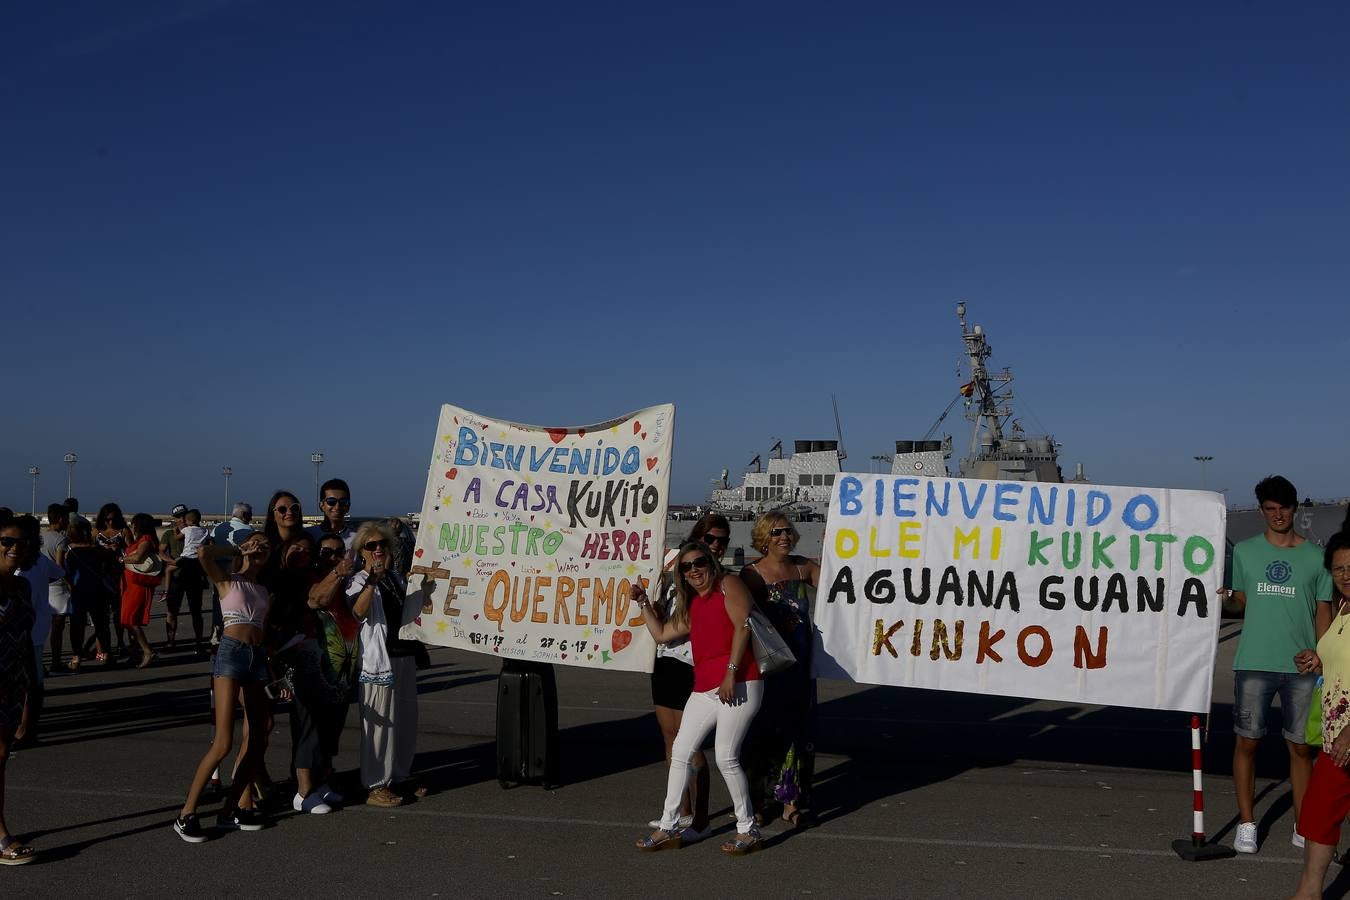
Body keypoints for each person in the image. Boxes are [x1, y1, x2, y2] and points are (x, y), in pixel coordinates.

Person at [632, 540, 763, 855]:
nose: (694, 570)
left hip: (741, 681)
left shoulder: (727, 584)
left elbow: (744, 625)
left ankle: (748, 830)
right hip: (705, 687)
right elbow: (663, 634)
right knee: (680, 751)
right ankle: (668, 826)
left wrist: (731, 672)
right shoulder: (693, 603)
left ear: (711, 563)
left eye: (699, 563)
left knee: (726, 757)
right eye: (686, 566)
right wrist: (643, 605)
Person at [1225, 475, 1333, 853]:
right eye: (1270, 509)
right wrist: (1219, 598)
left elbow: (1323, 611)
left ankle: (1303, 825)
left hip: (1302, 666)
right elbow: (1240, 603)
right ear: (1261, 511)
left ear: (1294, 508)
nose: (1278, 515)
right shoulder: (1245, 552)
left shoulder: (1316, 556)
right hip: (1253, 661)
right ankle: (1247, 822)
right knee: (1247, 742)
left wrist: (1323, 655)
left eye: (1284, 508)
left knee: (1302, 748)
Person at [173, 532, 275, 842]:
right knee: (224, 741)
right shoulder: (227, 580)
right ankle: (186, 814)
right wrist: (238, 548)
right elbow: (203, 553)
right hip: (231, 653)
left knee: (260, 734)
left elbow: (264, 630)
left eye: (265, 546)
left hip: (256, 658)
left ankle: (230, 809)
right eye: (256, 543)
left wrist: (272, 668)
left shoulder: (263, 590)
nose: (260, 548)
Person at [641, 515, 728, 841]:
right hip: (665, 664)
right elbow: (663, 623)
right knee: (670, 740)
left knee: (690, 746)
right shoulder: (679, 577)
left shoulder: (721, 583)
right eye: (711, 539)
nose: (717, 545)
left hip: (695, 667)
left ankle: (701, 817)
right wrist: (646, 601)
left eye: (722, 541)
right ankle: (682, 810)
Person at [741, 512, 821, 829]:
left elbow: (845, 584)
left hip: (800, 667)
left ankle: (791, 801)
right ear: (764, 538)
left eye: (787, 531)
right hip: (767, 665)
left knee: (797, 732)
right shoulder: (752, 575)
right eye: (775, 533)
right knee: (761, 732)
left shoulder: (804, 568)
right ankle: (759, 801)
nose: (783, 537)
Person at [1290, 531, 1350, 898]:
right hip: (1335, 741)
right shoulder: (1342, 608)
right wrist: (1317, 659)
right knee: (1318, 816)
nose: (1346, 574)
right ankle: (1308, 894)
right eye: (1339, 568)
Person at [347, 522, 421, 807]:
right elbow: (357, 612)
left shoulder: (396, 578)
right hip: (378, 662)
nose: (378, 550)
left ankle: (399, 775)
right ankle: (376, 783)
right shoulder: (358, 580)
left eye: (383, 545)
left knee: (404, 723)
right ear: (362, 551)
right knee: (380, 727)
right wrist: (372, 581)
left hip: (403, 656)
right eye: (371, 546)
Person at [289, 532, 360, 813]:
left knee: (332, 726)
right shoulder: (312, 578)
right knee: (310, 726)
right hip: (313, 659)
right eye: (328, 552)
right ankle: (304, 790)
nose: (334, 557)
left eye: (339, 552)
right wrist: (336, 572)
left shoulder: (345, 581)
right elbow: (316, 600)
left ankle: (322, 780)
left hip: (341, 663)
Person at [0, 516, 38, 864]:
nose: (14, 548)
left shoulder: (22, 586)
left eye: (22, 542)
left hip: (13, 685)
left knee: (0, 759)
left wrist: (28, 692)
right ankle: (0, 836)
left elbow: (24, 640)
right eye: (6, 541)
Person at [63, 517, 118, 668]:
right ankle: (106, 654)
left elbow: (67, 573)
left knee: (77, 625)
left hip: (79, 590)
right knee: (101, 625)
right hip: (98, 590)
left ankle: (76, 657)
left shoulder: (71, 551)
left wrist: (70, 587)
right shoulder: (99, 550)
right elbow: (107, 568)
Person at [120, 513, 162, 668]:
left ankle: (147, 651)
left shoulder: (146, 539)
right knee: (128, 619)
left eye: (134, 523)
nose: (132, 525)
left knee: (130, 619)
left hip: (137, 584)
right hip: (130, 583)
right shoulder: (141, 539)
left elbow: (138, 557)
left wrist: (121, 559)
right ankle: (136, 652)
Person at [166, 509, 210, 656]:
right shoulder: (204, 530)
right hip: (197, 565)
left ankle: (171, 643)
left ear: (188, 520)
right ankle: (199, 643)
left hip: (184, 563)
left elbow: (178, 537)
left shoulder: (186, 530)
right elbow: (208, 543)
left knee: (175, 607)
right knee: (195, 610)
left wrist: (175, 530)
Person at [95, 502, 134, 657]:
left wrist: (120, 553)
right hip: (100, 577)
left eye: (112, 519)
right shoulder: (96, 532)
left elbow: (132, 552)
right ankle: (104, 647)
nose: (110, 522)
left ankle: (120, 642)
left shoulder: (124, 532)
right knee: (101, 615)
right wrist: (101, 550)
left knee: (119, 613)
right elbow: (89, 551)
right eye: (106, 519)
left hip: (119, 575)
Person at [41, 504, 72, 671]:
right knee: (57, 628)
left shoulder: (40, 537)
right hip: (57, 588)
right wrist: (70, 583)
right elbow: (60, 566)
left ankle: (41, 660)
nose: (68, 522)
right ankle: (56, 661)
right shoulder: (61, 539)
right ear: (60, 519)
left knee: (41, 627)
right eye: (66, 519)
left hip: (42, 585)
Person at [160, 505, 187, 648]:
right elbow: (161, 552)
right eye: (178, 517)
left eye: (184, 516)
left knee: (196, 612)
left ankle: (199, 643)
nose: (182, 519)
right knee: (171, 612)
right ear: (174, 519)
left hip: (192, 576)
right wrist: (172, 561)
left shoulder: (194, 532)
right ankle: (170, 641)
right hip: (175, 578)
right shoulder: (169, 534)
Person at [308, 479, 355, 551]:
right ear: (321, 505)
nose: (337, 506)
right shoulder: (309, 535)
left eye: (343, 502)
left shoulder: (357, 539)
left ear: (348, 506)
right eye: (331, 501)